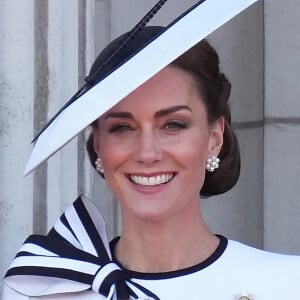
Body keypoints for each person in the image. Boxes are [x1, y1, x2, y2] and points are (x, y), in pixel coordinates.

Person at [3, 26, 300, 300]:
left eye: (173, 124)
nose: (147, 153)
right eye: (122, 127)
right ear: (98, 146)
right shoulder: (41, 289)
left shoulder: (287, 284)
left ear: (214, 138)